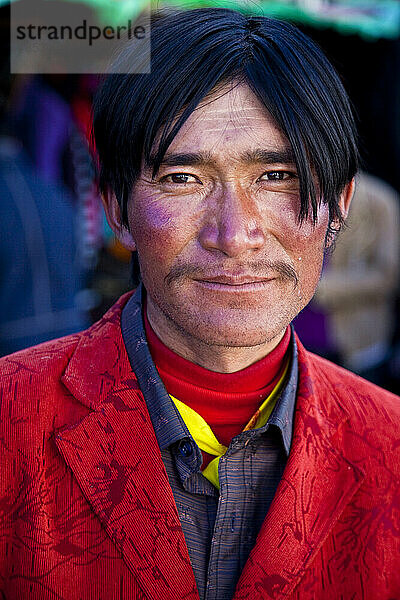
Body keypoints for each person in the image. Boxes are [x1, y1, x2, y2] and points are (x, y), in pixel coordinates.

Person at [1, 9, 399, 600]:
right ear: (117, 208)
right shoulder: (11, 424)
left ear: (339, 204)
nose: (235, 234)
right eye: (183, 178)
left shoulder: (389, 449)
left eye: (279, 176)